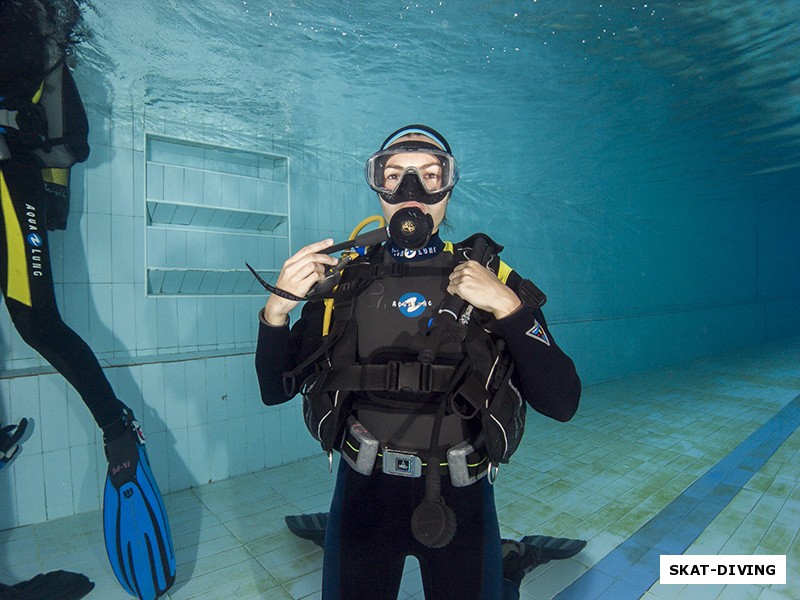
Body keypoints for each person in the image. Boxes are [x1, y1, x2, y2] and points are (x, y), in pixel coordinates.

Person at [255, 124, 581, 599]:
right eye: (393, 176)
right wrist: (275, 312)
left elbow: (562, 400)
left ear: (449, 187)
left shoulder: (494, 278)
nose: (412, 192)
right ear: (378, 187)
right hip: (363, 494)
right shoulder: (346, 281)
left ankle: (509, 563)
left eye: (431, 175)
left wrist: (510, 309)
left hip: (462, 495)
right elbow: (274, 391)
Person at [1, 2, 175, 599]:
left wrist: (50, 183)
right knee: (35, 324)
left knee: (37, 323)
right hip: (16, 165)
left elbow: (64, 129)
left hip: (7, 172)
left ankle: (116, 425)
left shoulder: (32, 25)